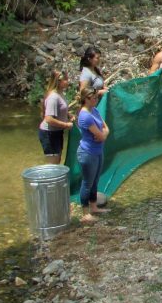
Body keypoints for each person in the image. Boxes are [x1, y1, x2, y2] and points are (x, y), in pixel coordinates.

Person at [76, 87, 111, 223]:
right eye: (94, 98)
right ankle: (85, 213)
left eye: (97, 97)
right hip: (87, 153)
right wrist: (102, 134)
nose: (96, 100)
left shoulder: (94, 110)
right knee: (87, 183)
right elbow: (100, 135)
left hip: (97, 151)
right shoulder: (84, 116)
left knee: (95, 180)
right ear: (86, 99)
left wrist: (104, 134)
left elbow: (106, 129)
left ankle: (94, 207)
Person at [38, 69, 74, 164]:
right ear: (58, 81)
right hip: (49, 133)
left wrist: (68, 115)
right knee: (53, 164)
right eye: (65, 79)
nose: (68, 81)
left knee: (57, 161)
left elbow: (61, 109)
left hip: (57, 132)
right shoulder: (53, 97)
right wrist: (66, 125)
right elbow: (49, 119)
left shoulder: (60, 93)